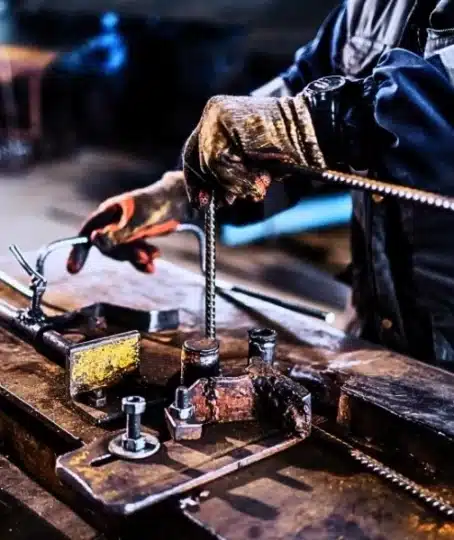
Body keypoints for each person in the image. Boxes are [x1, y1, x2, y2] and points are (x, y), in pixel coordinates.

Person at [67, 1, 454, 368]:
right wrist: (185, 192)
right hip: (373, 335)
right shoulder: (371, 7)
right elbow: (302, 93)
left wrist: (326, 122)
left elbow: (433, 102)